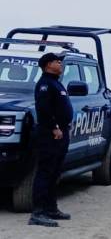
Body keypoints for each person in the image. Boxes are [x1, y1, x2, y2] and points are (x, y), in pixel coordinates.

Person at [29, 53, 73, 227]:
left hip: (62, 133)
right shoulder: (45, 85)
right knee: (45, 172)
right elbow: (43, 109)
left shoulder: (56, 82)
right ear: (47, 65)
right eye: (56, 61)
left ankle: (51, 208)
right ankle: (37, 213)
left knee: (55, 172)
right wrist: (54, 127)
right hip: (50, 134)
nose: (60, 63)